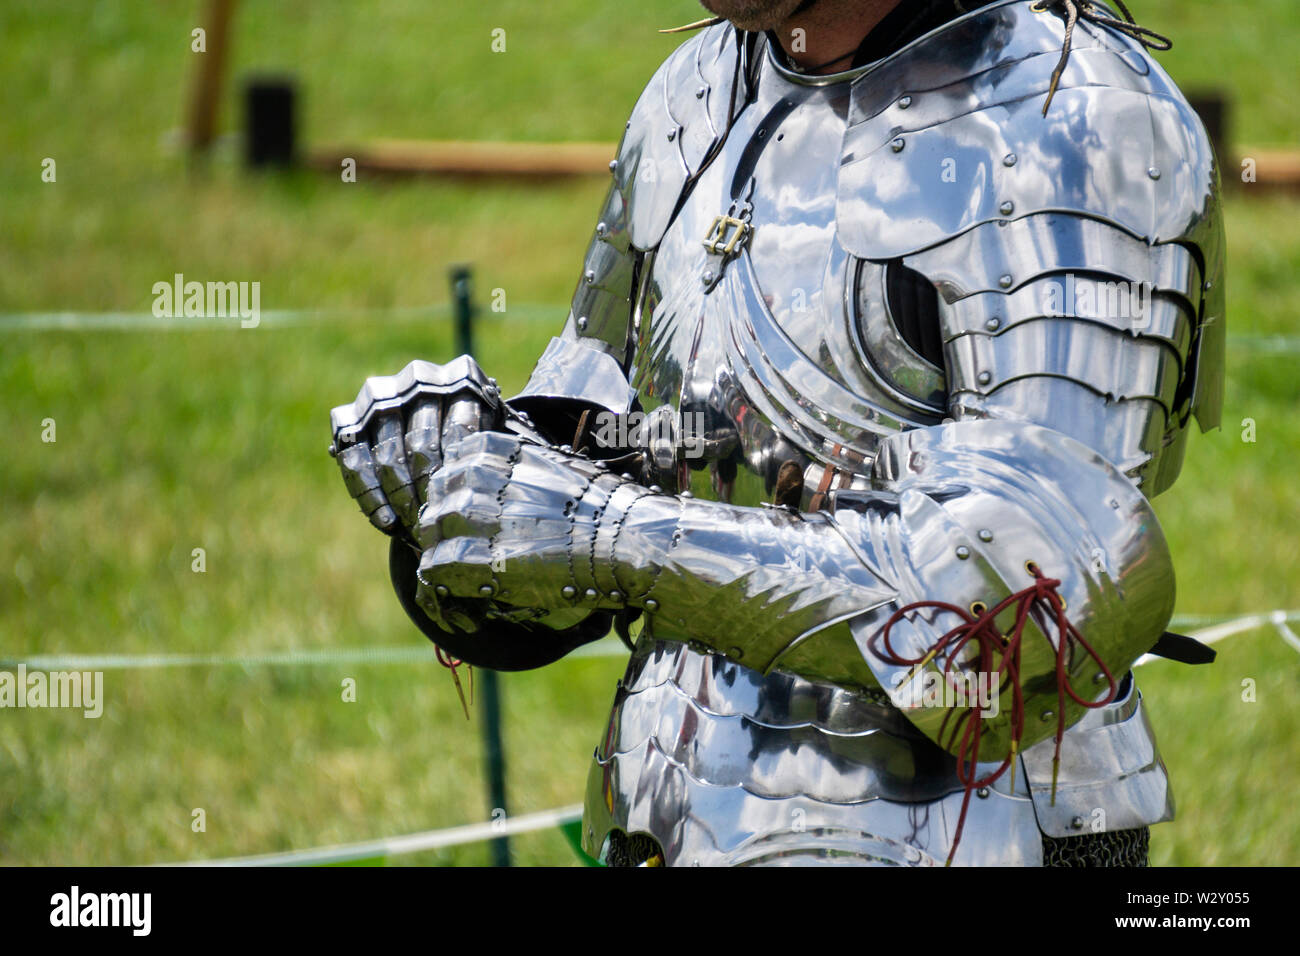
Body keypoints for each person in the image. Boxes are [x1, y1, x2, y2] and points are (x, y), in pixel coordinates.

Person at [329, 0, 1224, 866]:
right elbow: (604, 436)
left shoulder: (1074, 123)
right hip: (668, 800)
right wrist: (465, 479)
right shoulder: (695, 92)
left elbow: (1030, 606)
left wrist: (602, 536)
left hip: (969, 828)